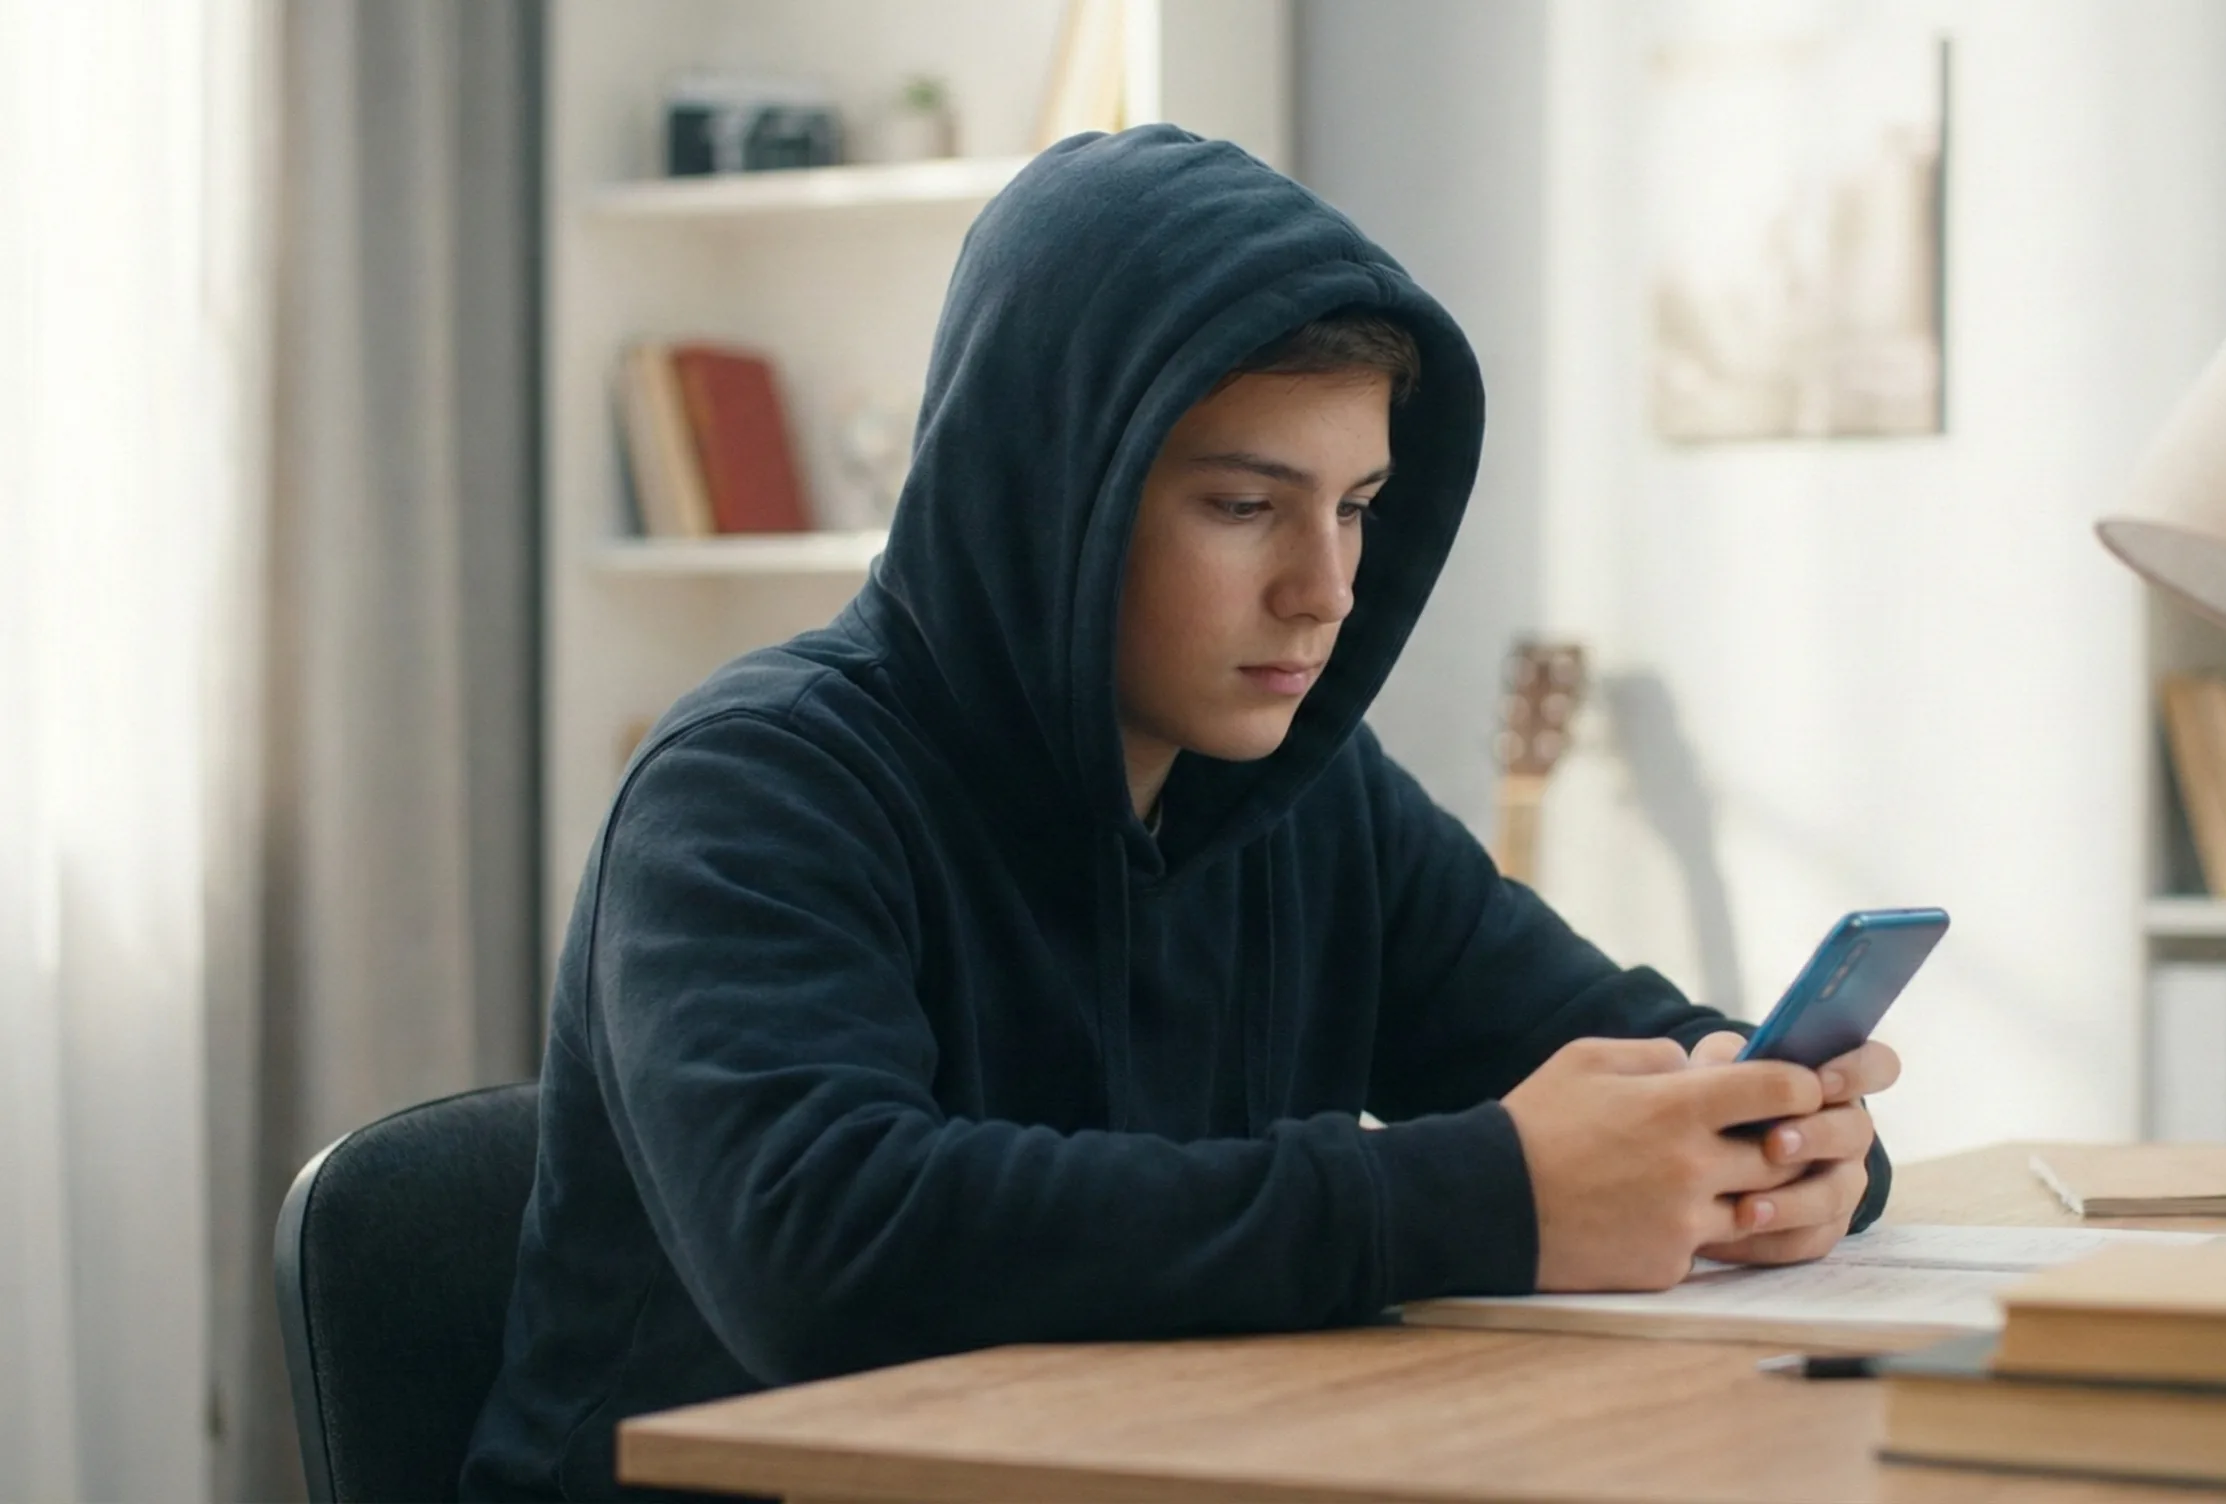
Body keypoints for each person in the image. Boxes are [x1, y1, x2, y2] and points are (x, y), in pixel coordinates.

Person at [461, 125, 1900, 1502]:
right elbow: (831, 1253)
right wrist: (1481, 1195)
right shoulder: (752, 789)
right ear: (1051, 498)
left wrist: (1787, 1149)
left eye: (1355, 508)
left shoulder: (1311, 799)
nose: (1327, 589)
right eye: (1244, 506)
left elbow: (1616, 1047)